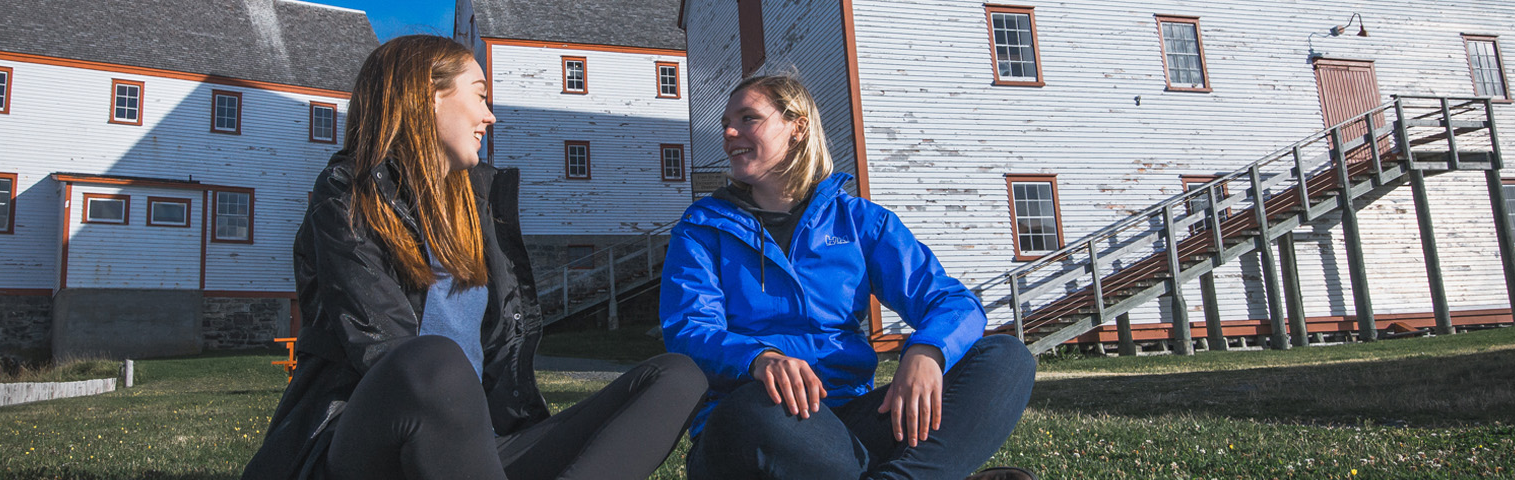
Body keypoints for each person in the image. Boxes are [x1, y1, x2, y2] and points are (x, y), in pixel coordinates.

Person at [243, 35, 705, 480]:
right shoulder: (346, 195)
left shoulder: (479, 203)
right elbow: (384, 354)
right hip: (372, 440)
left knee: (678, 376)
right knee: (435, 362)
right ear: (427, 97)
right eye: (480, 97)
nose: (490, 117)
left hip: (481, 446)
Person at [660, 74, 1038, 480]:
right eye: (726, 124)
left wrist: (928, 351)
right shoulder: (702, 229)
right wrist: (759, 359)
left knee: (1006, 358)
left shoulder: (859, 222)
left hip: (845, 423)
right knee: (762, 405)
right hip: (751, 424)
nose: (730, 133)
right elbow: (689, 328)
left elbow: (952, 302)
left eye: (748, 118)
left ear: (798, 127)